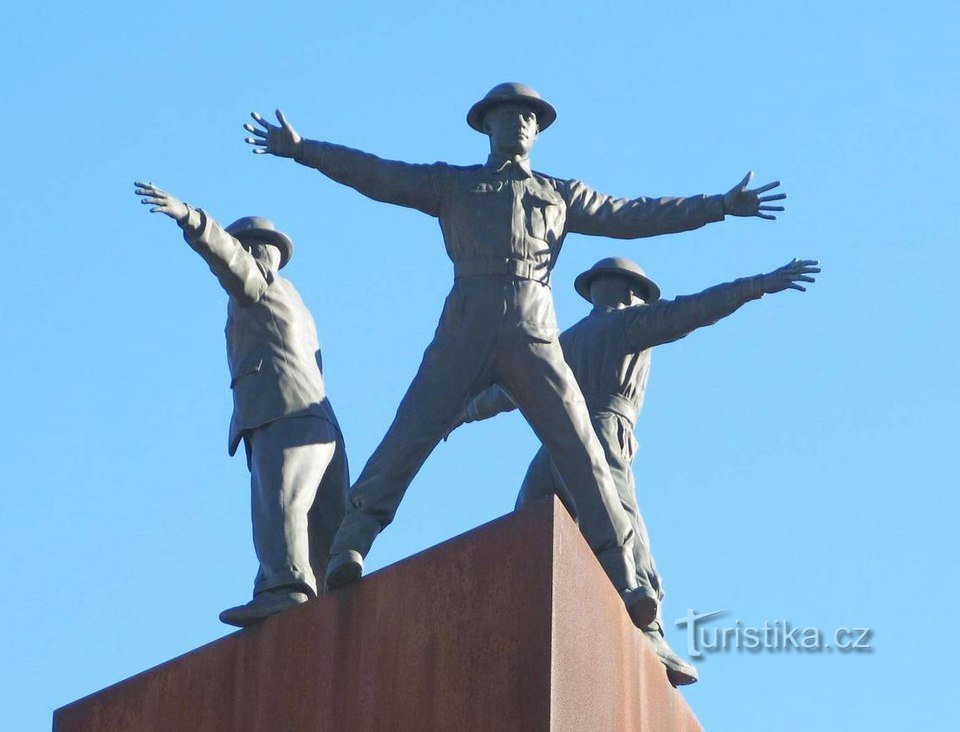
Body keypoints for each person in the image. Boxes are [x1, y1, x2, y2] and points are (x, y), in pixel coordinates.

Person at [242, 82, 787, 629]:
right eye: (507, 117)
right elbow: (380, 176)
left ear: (538, 129)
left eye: (528, 117)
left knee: (582, 452)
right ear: (487, 126)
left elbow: (636, 214)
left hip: (534, 331)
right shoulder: (452, 184)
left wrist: (719, 206)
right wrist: (305, 149)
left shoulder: (560, 195)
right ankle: (347, 549)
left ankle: (627, 578)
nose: (519, 124)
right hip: (465, 325)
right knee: (408, 436)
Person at [457, 255, 821, 685]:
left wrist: (460, 412)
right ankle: (648, 626)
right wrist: (757, 283)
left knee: (534, 515)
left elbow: (509, 389)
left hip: (560, 436)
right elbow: (697, 309)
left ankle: (534, 613)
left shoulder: (563, 342)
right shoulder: (630, 324)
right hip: (604, 430)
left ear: (596, 290)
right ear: (630, 291)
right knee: (614, 513)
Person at [134, 181, 347, 627]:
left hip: (283, 416)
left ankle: (285, 589)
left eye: (252, 249)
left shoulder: (261, 287)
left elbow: (229, 262)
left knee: (280, 504)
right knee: (319, 530)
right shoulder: (297, 303)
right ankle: (315, 601)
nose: (254, 257)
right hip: (322, 426)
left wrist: (191, 219)